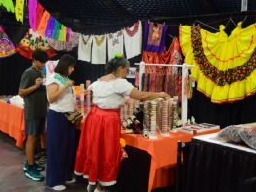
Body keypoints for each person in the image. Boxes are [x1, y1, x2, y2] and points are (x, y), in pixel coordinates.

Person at [74, 55, 170, 192]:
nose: (127, 73)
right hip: (107, 120)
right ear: (120, 68)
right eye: (126, 69)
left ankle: (93, 180)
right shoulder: (120, 83)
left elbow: (101, 96)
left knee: (94, 149)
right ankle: (100, 185)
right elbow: (141, 96)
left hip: (94, 118)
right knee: (107, 151)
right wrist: (160, 94)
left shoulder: (99, 80)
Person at [46, 54, 81, 191]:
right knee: (57, 148)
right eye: (71, 67)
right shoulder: (54, 78)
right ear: (66, 66)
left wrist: (76, 114)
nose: (73, 69)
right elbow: (51, 98)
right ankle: (54, 180)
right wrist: (64, 86)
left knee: (68, 148)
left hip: (69, 115)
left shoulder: (65, 78)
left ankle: (65, 175)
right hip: (57, 115)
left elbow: (69, 99)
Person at [19, 50, 48, 181]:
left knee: (35, 137)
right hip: (32, 111)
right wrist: (36, 86)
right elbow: (21, 92)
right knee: (31, 138)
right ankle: (30, 167)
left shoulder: (40, 71)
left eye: (44, 62)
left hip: (41, 110)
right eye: (41, 62)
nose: (43, 64)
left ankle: (29, 163)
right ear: (34, 60)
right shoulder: (28, 72)